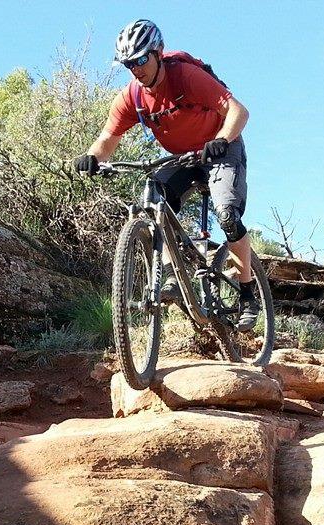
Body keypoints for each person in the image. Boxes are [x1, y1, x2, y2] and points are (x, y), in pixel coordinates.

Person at [74, 19, 259, 330]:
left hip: (220, 150)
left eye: (142, 59)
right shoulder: (132, 97)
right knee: (155, 198)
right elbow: (108, 137)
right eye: (129, 64)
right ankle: (172, 274)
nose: (136, 69)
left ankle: (247, 291)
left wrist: (222, 140)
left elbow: (238, 111)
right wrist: (92, 156)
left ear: (158, 52)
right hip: (182, 158)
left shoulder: (186, 77)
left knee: (227, 215)